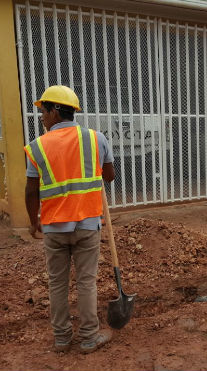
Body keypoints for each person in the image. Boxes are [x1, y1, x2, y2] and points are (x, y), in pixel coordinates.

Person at [24, 85, 115, 353]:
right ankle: (89, 337)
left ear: (54, 111)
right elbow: (109, 176)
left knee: (57, 283)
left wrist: (33, 222)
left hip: (54, 228)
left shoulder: (37, 146)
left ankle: (62, 338)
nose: (41, 116)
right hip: (87, 224)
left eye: (43, 111)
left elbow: (31, 190)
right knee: (86, 282)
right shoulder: (96, 138)